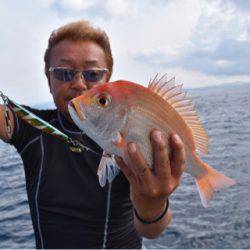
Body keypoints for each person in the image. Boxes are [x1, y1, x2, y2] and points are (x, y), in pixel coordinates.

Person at [0, 20, 185, 249]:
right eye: (64, 73)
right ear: (49, 80)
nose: (78, 84)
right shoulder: (31, 126)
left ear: (108, 82)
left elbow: (152, 230)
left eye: (93, 74)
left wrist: (153, 204)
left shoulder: (131, 139)